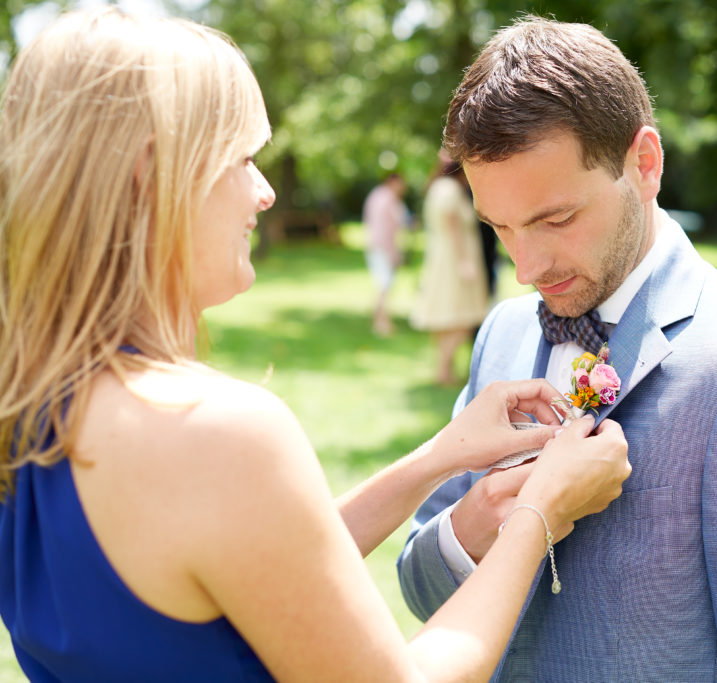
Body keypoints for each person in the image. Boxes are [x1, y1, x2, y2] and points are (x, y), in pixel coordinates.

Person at [0, 9, 632, 682]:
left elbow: (259, 565)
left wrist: (438, 457)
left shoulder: (31, 408)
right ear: (152, 179)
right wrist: (541, 510)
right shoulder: (214, 432)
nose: (265, 192)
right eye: (241, 158)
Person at [398, 16, 717, 682]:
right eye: (499, 227)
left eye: (555, 218)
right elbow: (420, 592)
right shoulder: (504, 332)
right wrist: (473, 525)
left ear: (644, 164)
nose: (525, 264)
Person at [411, 153, 491, 385]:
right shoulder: (450, 190)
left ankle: (444, 368)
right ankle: (445, 368)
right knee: (461, 314)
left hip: (443, 258)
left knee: (446, 313)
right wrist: (465, 262)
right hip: (455, 260)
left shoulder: (437, 187)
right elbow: (452, 225)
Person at [362, 172, 409, 336]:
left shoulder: (376, 195)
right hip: (383, 248)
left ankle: (380, 319)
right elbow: (388, 229)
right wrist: (394, 253)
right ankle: (381, 322)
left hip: (375, 246)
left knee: (382, 285)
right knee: (384, 286)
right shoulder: (388, 199)